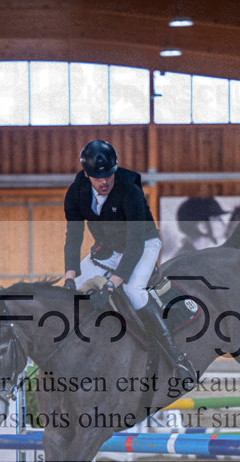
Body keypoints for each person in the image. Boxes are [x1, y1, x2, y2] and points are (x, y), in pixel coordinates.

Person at [63, 139, 195, 383]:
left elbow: (134, 246)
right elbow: (73, 238)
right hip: (109, 247)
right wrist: (70, 277)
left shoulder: (129, 190)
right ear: (86, 174)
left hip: (144, 243)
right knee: (74, 293)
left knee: (133, 290)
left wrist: (111, 284)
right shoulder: (76, 193)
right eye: (98, 176)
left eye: (109, 175)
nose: (105, 181)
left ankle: (176, 357)